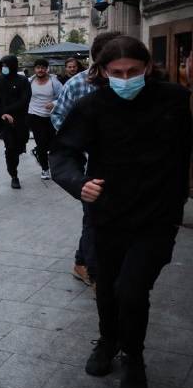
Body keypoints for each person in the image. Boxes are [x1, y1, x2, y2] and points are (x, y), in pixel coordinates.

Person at [50, 35, 191, 388]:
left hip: (157, 217)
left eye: (133, 71)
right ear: (103, 72)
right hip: (108, 216)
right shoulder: (91, 106)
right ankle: (108, 340)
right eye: (117, 72)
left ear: (147, 67)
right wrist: (79, 183)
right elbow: (62, 152)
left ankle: (134, 358)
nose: (126, 78)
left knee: (132, 289)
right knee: (108, 286)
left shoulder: (174, 101)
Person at [50, 31, 123, 288]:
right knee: (94, 216)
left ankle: (83, 261)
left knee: (98, 218)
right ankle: (93, 270)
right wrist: (80, 142)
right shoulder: (78, 84)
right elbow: (59, 118)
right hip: (91, 164)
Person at [0, 55, 31, 189]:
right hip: (4, 120)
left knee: (18, 147)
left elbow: (24, 100)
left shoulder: (23, 81)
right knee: (11, 148)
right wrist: (3, 113)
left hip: (20, 120)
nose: (4, 68)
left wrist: (8, 110)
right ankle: (14, 175)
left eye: (7, 66)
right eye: (3, 66)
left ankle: (14, 160)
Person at [27, 58, 64, 180]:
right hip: (34, 116)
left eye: (43, 67)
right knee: (41, 143)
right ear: (35, 69)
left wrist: (54, 103)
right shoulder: (30, 81)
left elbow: (64, 96)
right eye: (38, 67)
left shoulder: (54, 82)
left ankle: (43, 156)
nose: (40, 70)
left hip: (51, 117)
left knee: (53, 144)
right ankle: (45, 169)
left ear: (46, 69)